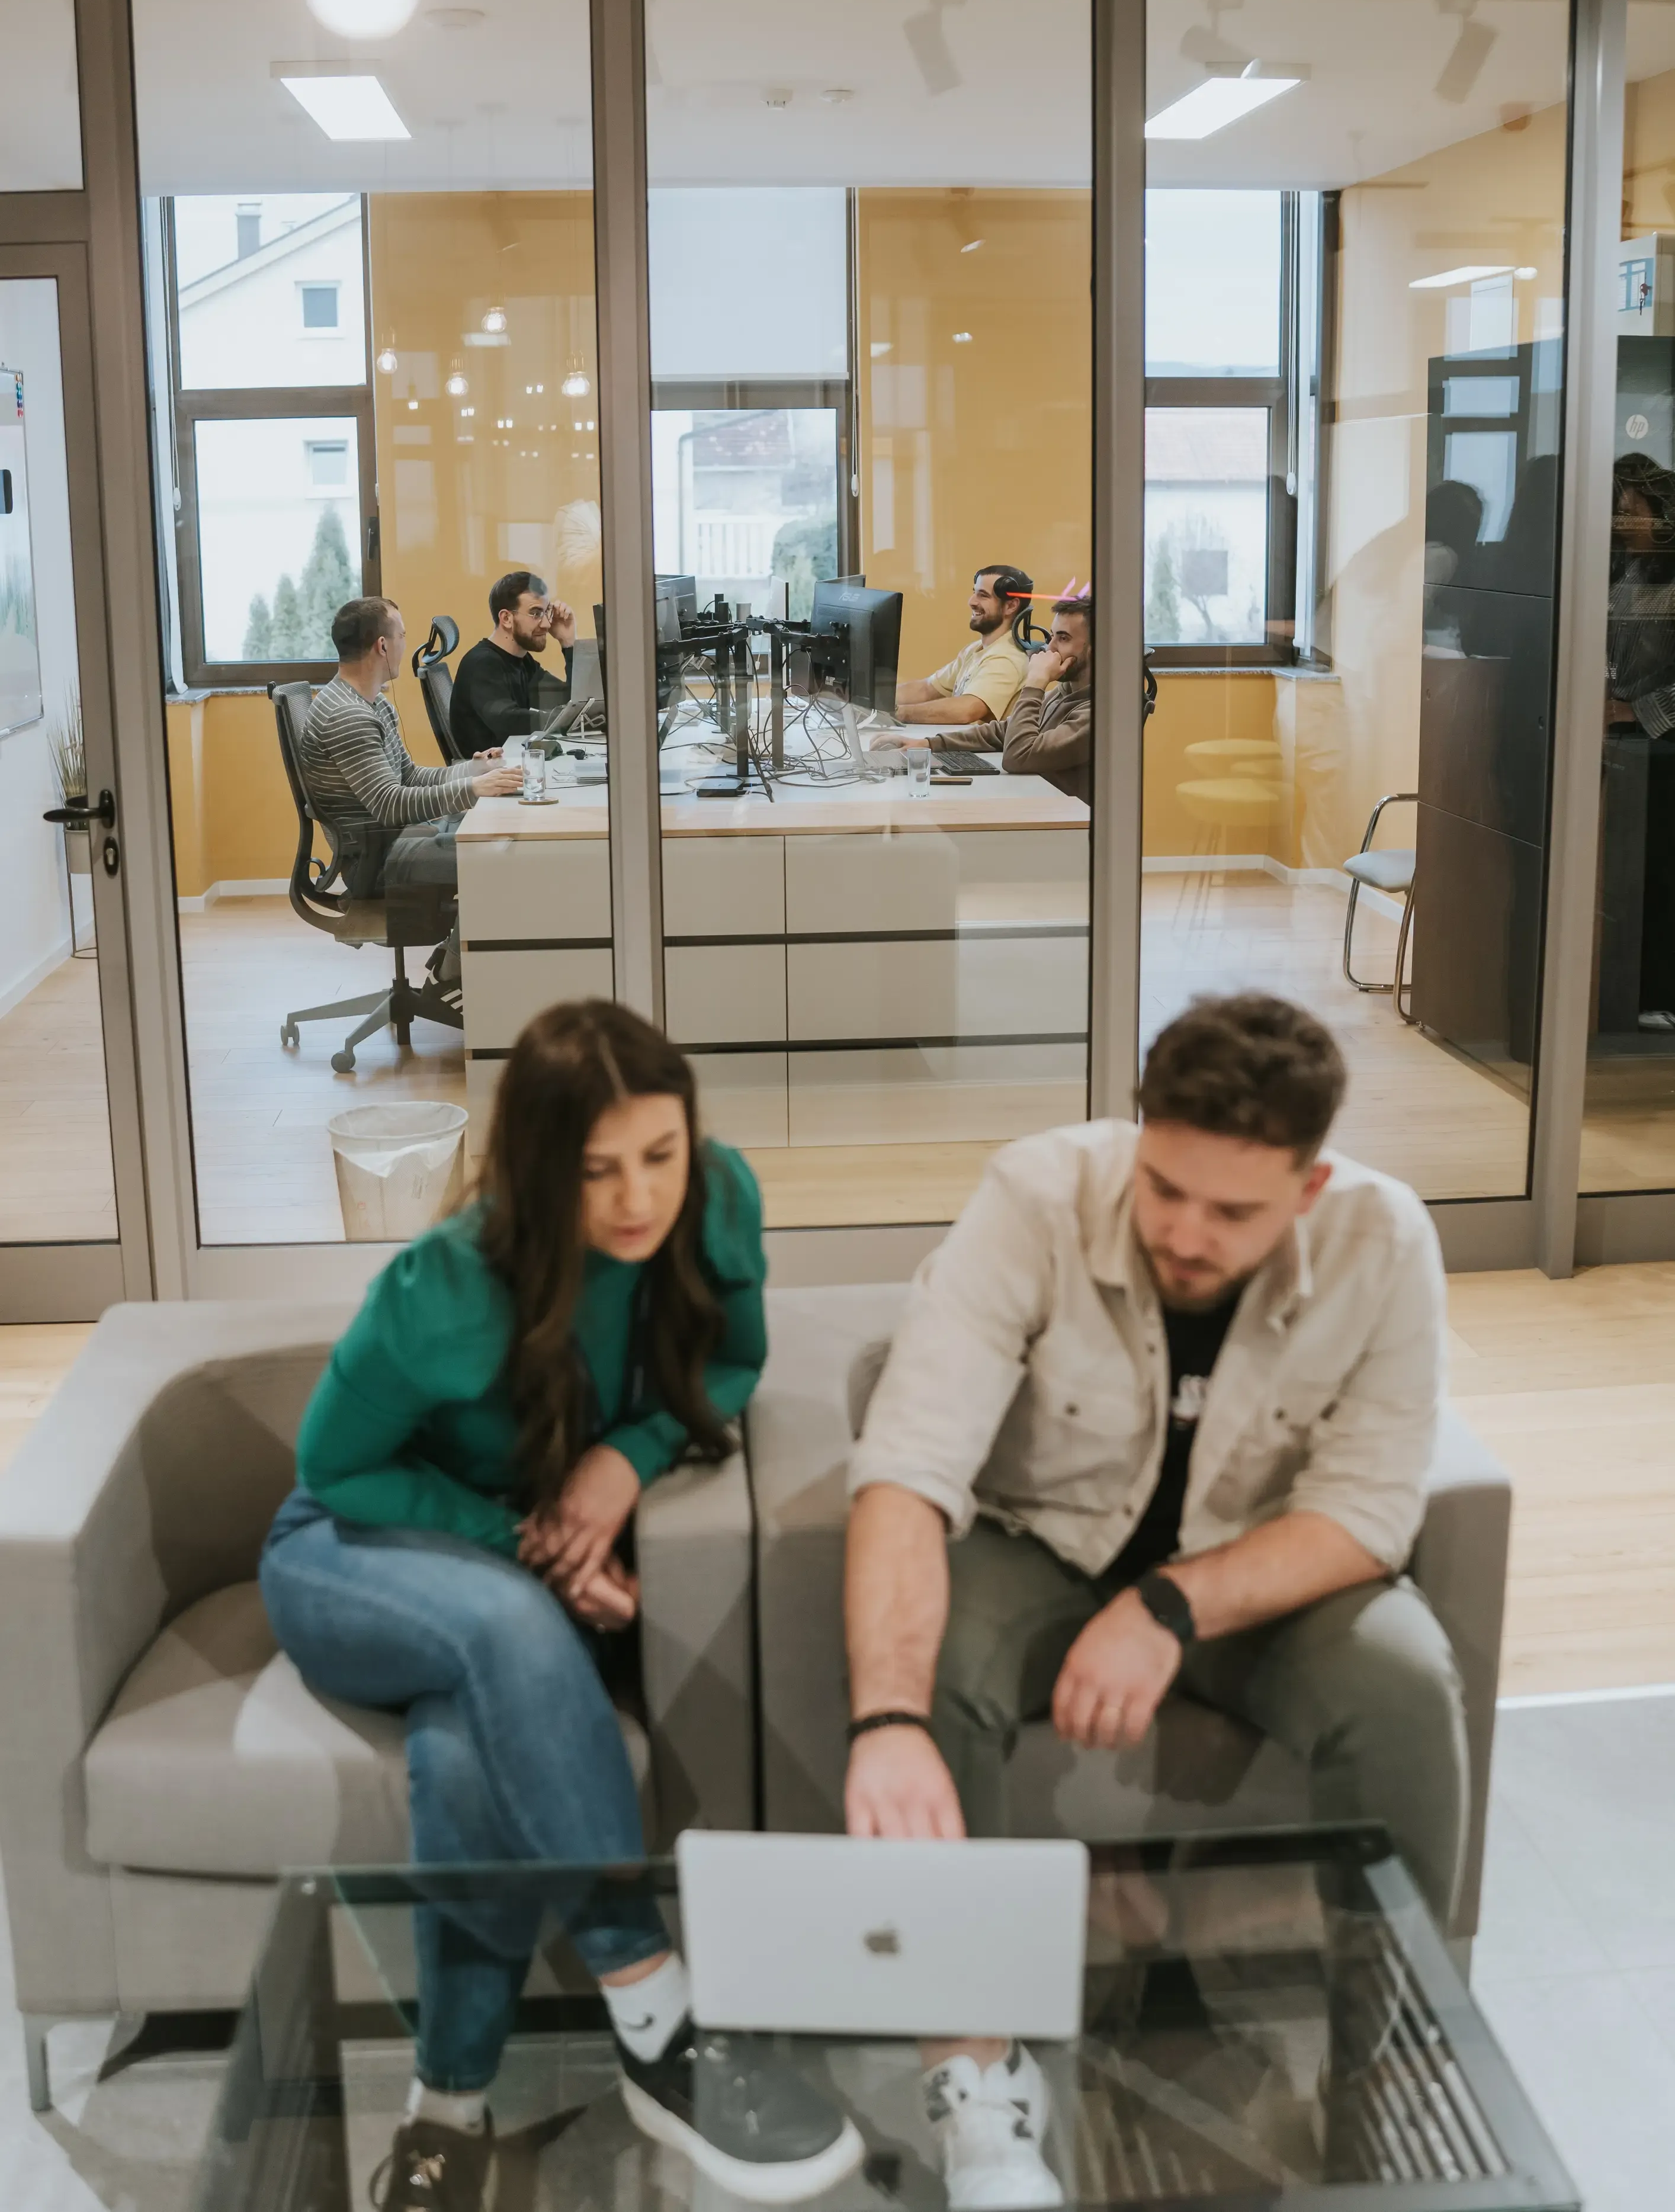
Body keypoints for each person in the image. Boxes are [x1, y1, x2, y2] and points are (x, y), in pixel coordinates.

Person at [842, 994, 1464, 2208]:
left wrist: (1171, 1608)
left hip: (1251, 1575)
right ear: (1140, 1139)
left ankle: (1375, 2071)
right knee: (935, 1673)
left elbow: (1370, 1512)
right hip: (1041, 1550)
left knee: (1403, 1682)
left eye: (1231, 1210)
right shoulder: (1034, 1197)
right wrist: (885, 1719)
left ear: (1309, 1186)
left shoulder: (1384, 1243)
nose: (1183, 1231)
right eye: (1163, 1187)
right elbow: (909, 1468)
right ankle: (975, 2082)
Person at [260, 1001, 862, 2212]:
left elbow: (732, 1365)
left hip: (516, 1574)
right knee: (504, 1627)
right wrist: (526, 1545)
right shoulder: (444, 1285)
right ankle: (654, 2012)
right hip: (356, 1549)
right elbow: (338, 1469)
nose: (639, 1196)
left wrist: (625, 1458)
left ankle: (447, 2110)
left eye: (660, 1154)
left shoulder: (719, 1200)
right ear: (539, 1168)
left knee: (461, 1752)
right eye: (597, 1171)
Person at [299, 596, 522, 927]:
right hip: (377, 862)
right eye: (402, 636)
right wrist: (475, 788)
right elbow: (390, 805)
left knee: (507, 842)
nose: (405, 644)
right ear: (383, 646)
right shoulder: (348, 715)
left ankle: (454, 965)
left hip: (401, 840)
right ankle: (449, 972)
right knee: (508, 861)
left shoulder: (373, 704)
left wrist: (475, 770)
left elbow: (409, 776)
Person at [874, 590, 1092, 802]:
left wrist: (1035, 683)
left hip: (1067, 825)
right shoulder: (1065, 692)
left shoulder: (1098, 713)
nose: (1049, 648)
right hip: (1038, 802)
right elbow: (1003, 732)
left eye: (1063, 638)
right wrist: (927, 744)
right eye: (1052, 636)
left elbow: (1019, 756)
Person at [1605, 451, 1675, 1030]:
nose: (1618, 522)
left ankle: (1656, 995)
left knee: (1657, 876)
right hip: (1625, 746)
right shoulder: (1626, 574)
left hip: (1664, 748)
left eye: (1628, 511)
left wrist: (1633, 707)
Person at [448, 569, 577, 757]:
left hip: (516, 766)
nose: (547, 625)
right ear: (507, 619)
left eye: (546, 612)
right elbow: (511, 721)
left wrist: (569, 644)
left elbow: (569, 700)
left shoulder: (523, 661)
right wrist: (569, 717)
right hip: (493, 778)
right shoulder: (482, 664)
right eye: (536, 614)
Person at [892, 564, 1035, 728]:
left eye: (983, 596)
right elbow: (927, 689)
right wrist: (873, 701)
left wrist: (897, 713)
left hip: (982, 754)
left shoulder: (1006, 658)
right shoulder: (976, 649)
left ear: (1011, 606)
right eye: (975, 592)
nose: (972, 602)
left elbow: (967, 710)